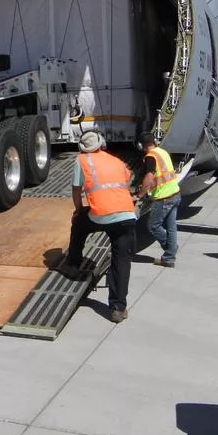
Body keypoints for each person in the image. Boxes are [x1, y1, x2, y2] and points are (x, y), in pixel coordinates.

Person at [58, 130, 136, 323]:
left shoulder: (82, 161)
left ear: (83, 148)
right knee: (121, 260)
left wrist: (79, 210)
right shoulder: (116, 160)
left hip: (100, 214)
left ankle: (73, 263)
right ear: (101, 144)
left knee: (79, 224)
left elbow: (77, 190)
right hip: (127, 214)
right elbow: (127, 179)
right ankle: (118, 308)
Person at [136, 132, 182, 268]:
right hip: (175, 192)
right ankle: (169, 256)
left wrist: (141, 193)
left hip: (164, 197)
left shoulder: (150, 157)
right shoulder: (162, 152)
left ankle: (170, 250)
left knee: (153, 226)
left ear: (141, 145)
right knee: (171, 226)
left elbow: (150, 176)